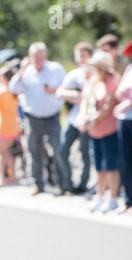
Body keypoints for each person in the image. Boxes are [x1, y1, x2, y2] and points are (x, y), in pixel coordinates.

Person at [9, 42, 67, 196]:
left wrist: (53, 90)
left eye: (41, 58)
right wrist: (21, 69)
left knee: (58, 150)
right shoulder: (26, 71)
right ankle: (38, 183)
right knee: (34, 152)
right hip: (33, 118)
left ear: (45, 56)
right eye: (35, 58)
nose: (38, 61)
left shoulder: (56, 69)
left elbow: (67, 88)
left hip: (53, 117)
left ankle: (62, 183)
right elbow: (13, 88)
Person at [79, 51, 120, 213]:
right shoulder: (94, 81)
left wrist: (93, 119)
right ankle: (100, 193)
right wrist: (84, 118)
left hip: (109, 129)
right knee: (98, 165)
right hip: (94, 131)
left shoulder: (112, 82)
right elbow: (86, 100)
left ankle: (113, 197)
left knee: (110, 165)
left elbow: (107, 106)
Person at [56, 42, 93, 194]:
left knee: (85, 153)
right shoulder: (74, 74)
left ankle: (83, 184)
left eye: (84, 55)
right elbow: (60, 92)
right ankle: (68, 183)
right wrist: (77, 95)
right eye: (79, 55)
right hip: (73, 119)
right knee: (63, 150)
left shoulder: (96, 73)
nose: (81, 59)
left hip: (88, 120)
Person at [113, 42, 132, 214]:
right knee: (126, 160)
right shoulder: (129, 70)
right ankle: (128, 201)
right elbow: (119, 92)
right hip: (125, 119)